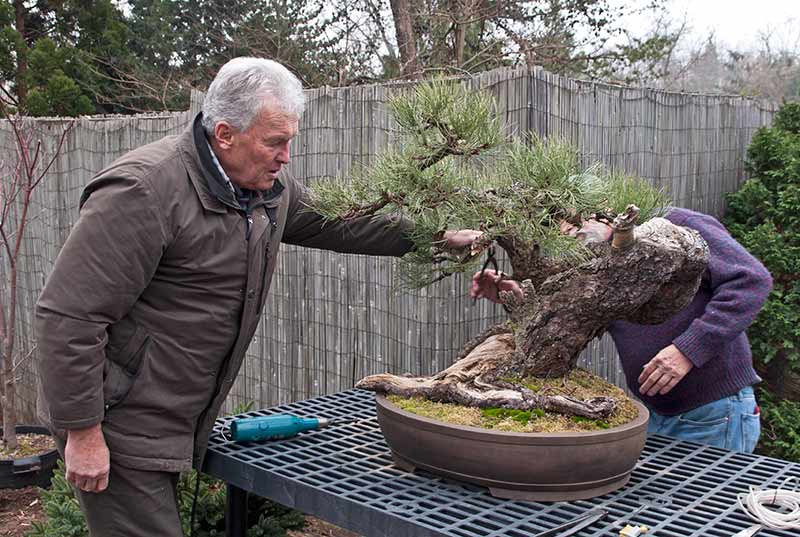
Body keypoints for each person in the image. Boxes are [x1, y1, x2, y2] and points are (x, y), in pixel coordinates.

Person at [35, 57, 478, 536]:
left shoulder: (265, 190)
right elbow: (68, 316)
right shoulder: (143, 192)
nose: (286, 156)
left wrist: (440, 236)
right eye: (275, 142)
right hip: (119, 421)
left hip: (174, 414)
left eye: (290, 140)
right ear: (225, 133)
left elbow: (344, 222)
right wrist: (82, 432)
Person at [470, 207, 772, 452]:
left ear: (606, 212)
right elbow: (570, 312)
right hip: (657, 413)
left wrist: (688, 350)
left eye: (575, 226)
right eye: (561, 231)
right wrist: (512, 294)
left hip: (714, 412)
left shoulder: (679, 227)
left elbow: (751, 280)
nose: (570, 236)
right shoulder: (597, 262)